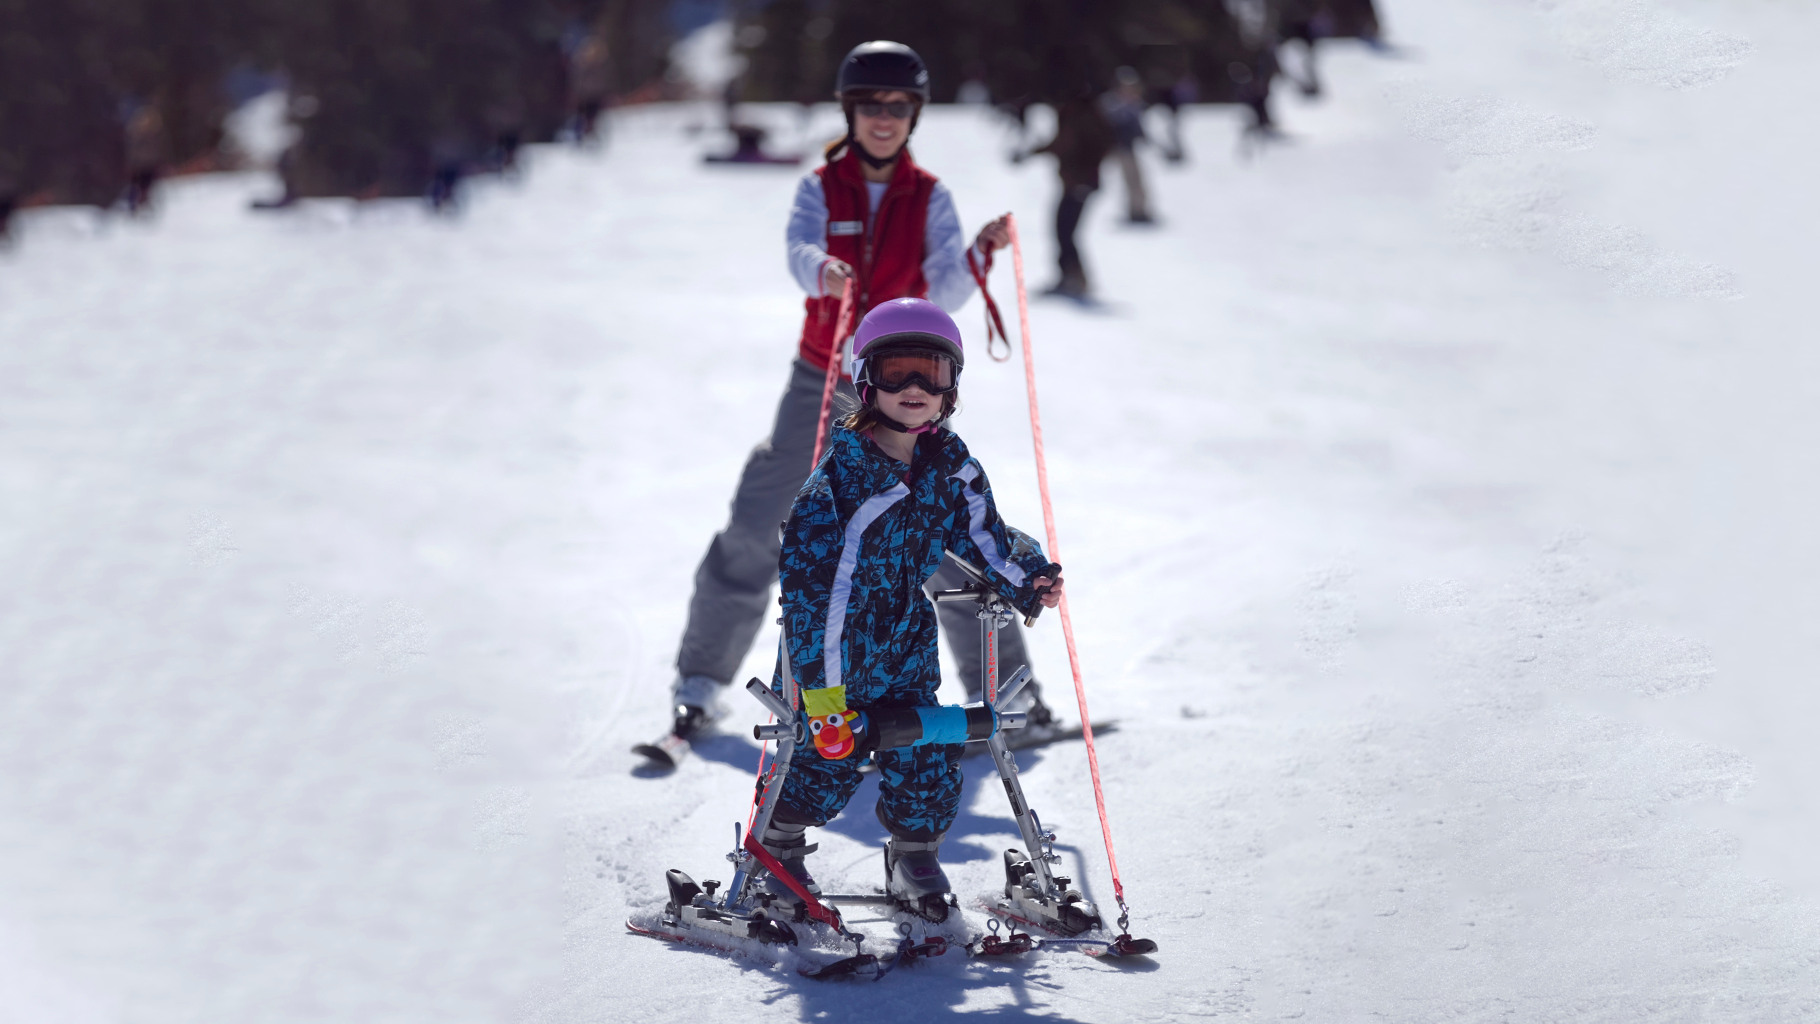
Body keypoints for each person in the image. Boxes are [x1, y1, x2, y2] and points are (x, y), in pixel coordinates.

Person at [658, 41, 1058, 752]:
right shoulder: (821, 187)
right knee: (763, 512)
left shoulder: (930, 195)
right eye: (870, 104)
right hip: (822, 378)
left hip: (901, 384)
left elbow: (945, 286)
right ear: (851, 110)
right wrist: (823, 271)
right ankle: (699, 681)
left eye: (897, 106)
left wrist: (977, 254)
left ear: (914, 114)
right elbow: (797, 250)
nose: (883, 117)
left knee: (932, 524)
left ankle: (1006, 695)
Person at [757, 299, 1065, 921]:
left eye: (933, 371)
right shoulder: (839, 486)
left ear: (953, 384)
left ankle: (914, 855)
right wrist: (823, 700)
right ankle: (777, 850)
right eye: (898, 372)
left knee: (926, 750)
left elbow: (983, 536)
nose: (916, 388)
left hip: (905, 639)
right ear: (867, 380)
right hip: (833, 653)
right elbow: (819, 599)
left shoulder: (947, 464)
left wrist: (1029, 578)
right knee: (827, 762)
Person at [1028, 84, 1114, 299]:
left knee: (1066, 231)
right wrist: (1035, 151)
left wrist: (1086, 175)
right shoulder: (1071, 112)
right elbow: (1062, 144)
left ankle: (1074, 280)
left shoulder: (1081, 113)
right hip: (1072, 182)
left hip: (1080, 184)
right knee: (1062, 230)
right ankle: (1070, 277)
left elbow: (1100, 144)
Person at [1100, 67, 1153, 224]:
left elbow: (1138, 127)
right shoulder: (1111, 103)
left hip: (1127, 148)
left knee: (1135, 179)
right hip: (1113, 148)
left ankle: (1137, 210)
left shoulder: (1135, 104)